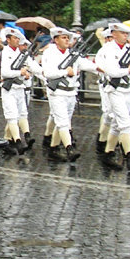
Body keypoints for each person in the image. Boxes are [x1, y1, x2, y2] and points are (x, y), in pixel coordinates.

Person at [39, 26, 93, 162]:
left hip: (70, 93)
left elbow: (87, 64)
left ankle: (53, 148)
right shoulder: (49, 54)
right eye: (63, 37)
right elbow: (48, 73)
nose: (67, 40)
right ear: (55, 40)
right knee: (62, 122)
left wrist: (102, 69)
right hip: (57, 92)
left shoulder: (72, 54)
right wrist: (65, 72)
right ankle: (69, 149)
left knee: (62, 122)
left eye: (68, 38)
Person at [94, 22, 130, 171]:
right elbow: (112, 71)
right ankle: (129, 156)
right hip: (114, 91)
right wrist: (128, 70)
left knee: (116, 124)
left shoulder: (129, 50)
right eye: (123, 33)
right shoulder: (107, 50)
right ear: (114, 34)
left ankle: (108, 154)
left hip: (126, 90)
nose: (126, 36)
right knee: (125, 122)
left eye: (127, 34)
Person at [0, 28, 39, 155]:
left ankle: (19, 138)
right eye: (14, 38)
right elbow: (3, 72)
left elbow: (33, 66)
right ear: (8, 39)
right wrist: (19, 72)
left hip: (19, 88)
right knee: (12, 115)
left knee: (21, 114)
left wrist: (43, 73)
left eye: (18, 38)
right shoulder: (3, 54)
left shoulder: (21, 54)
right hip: (9, 88)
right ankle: (18, 142)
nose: (17, 40)